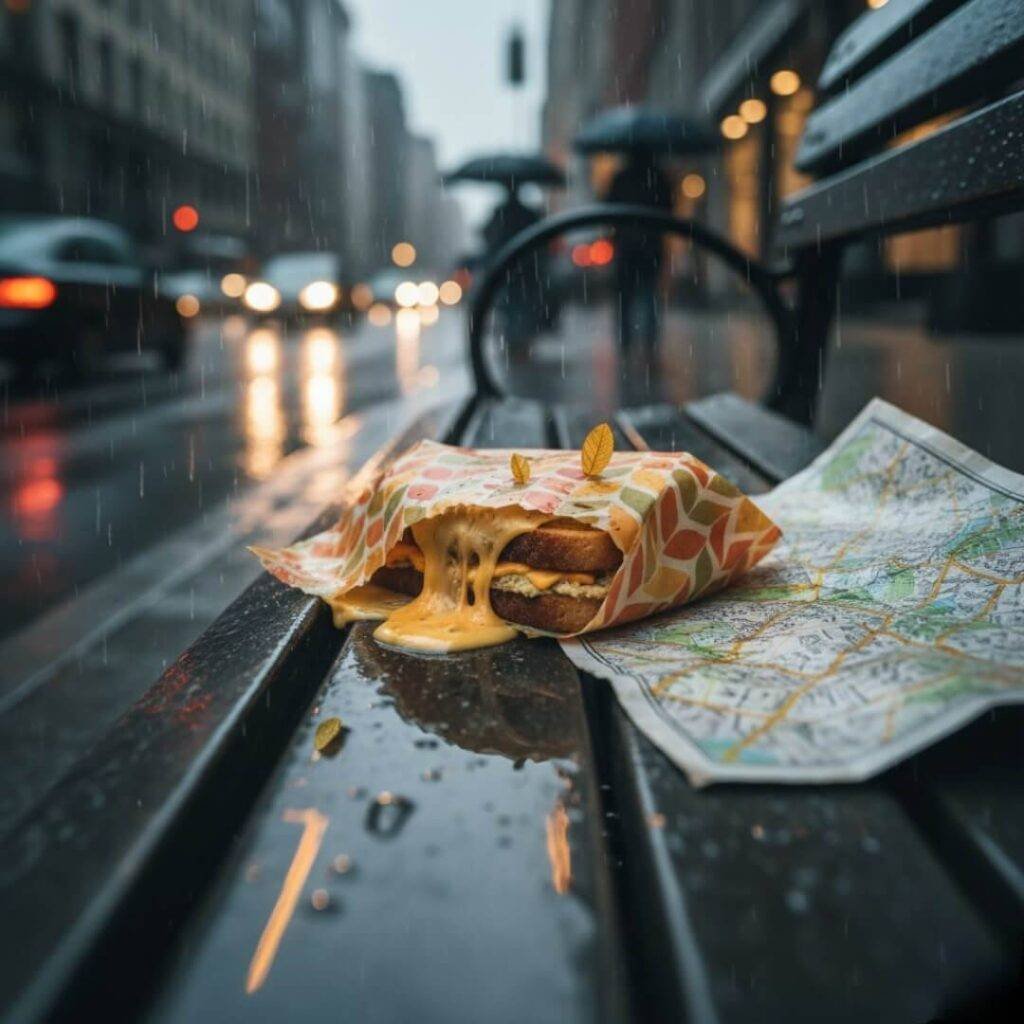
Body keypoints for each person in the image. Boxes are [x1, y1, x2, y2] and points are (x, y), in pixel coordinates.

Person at [606, 154, 672, 356]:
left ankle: (626, 341)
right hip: (649, 246)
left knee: (627, 296)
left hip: (627, 246)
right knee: (648, 293)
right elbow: (668, 208)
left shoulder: (621, 178)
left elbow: (608, 207)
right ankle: (648, 343)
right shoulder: (658, 177)